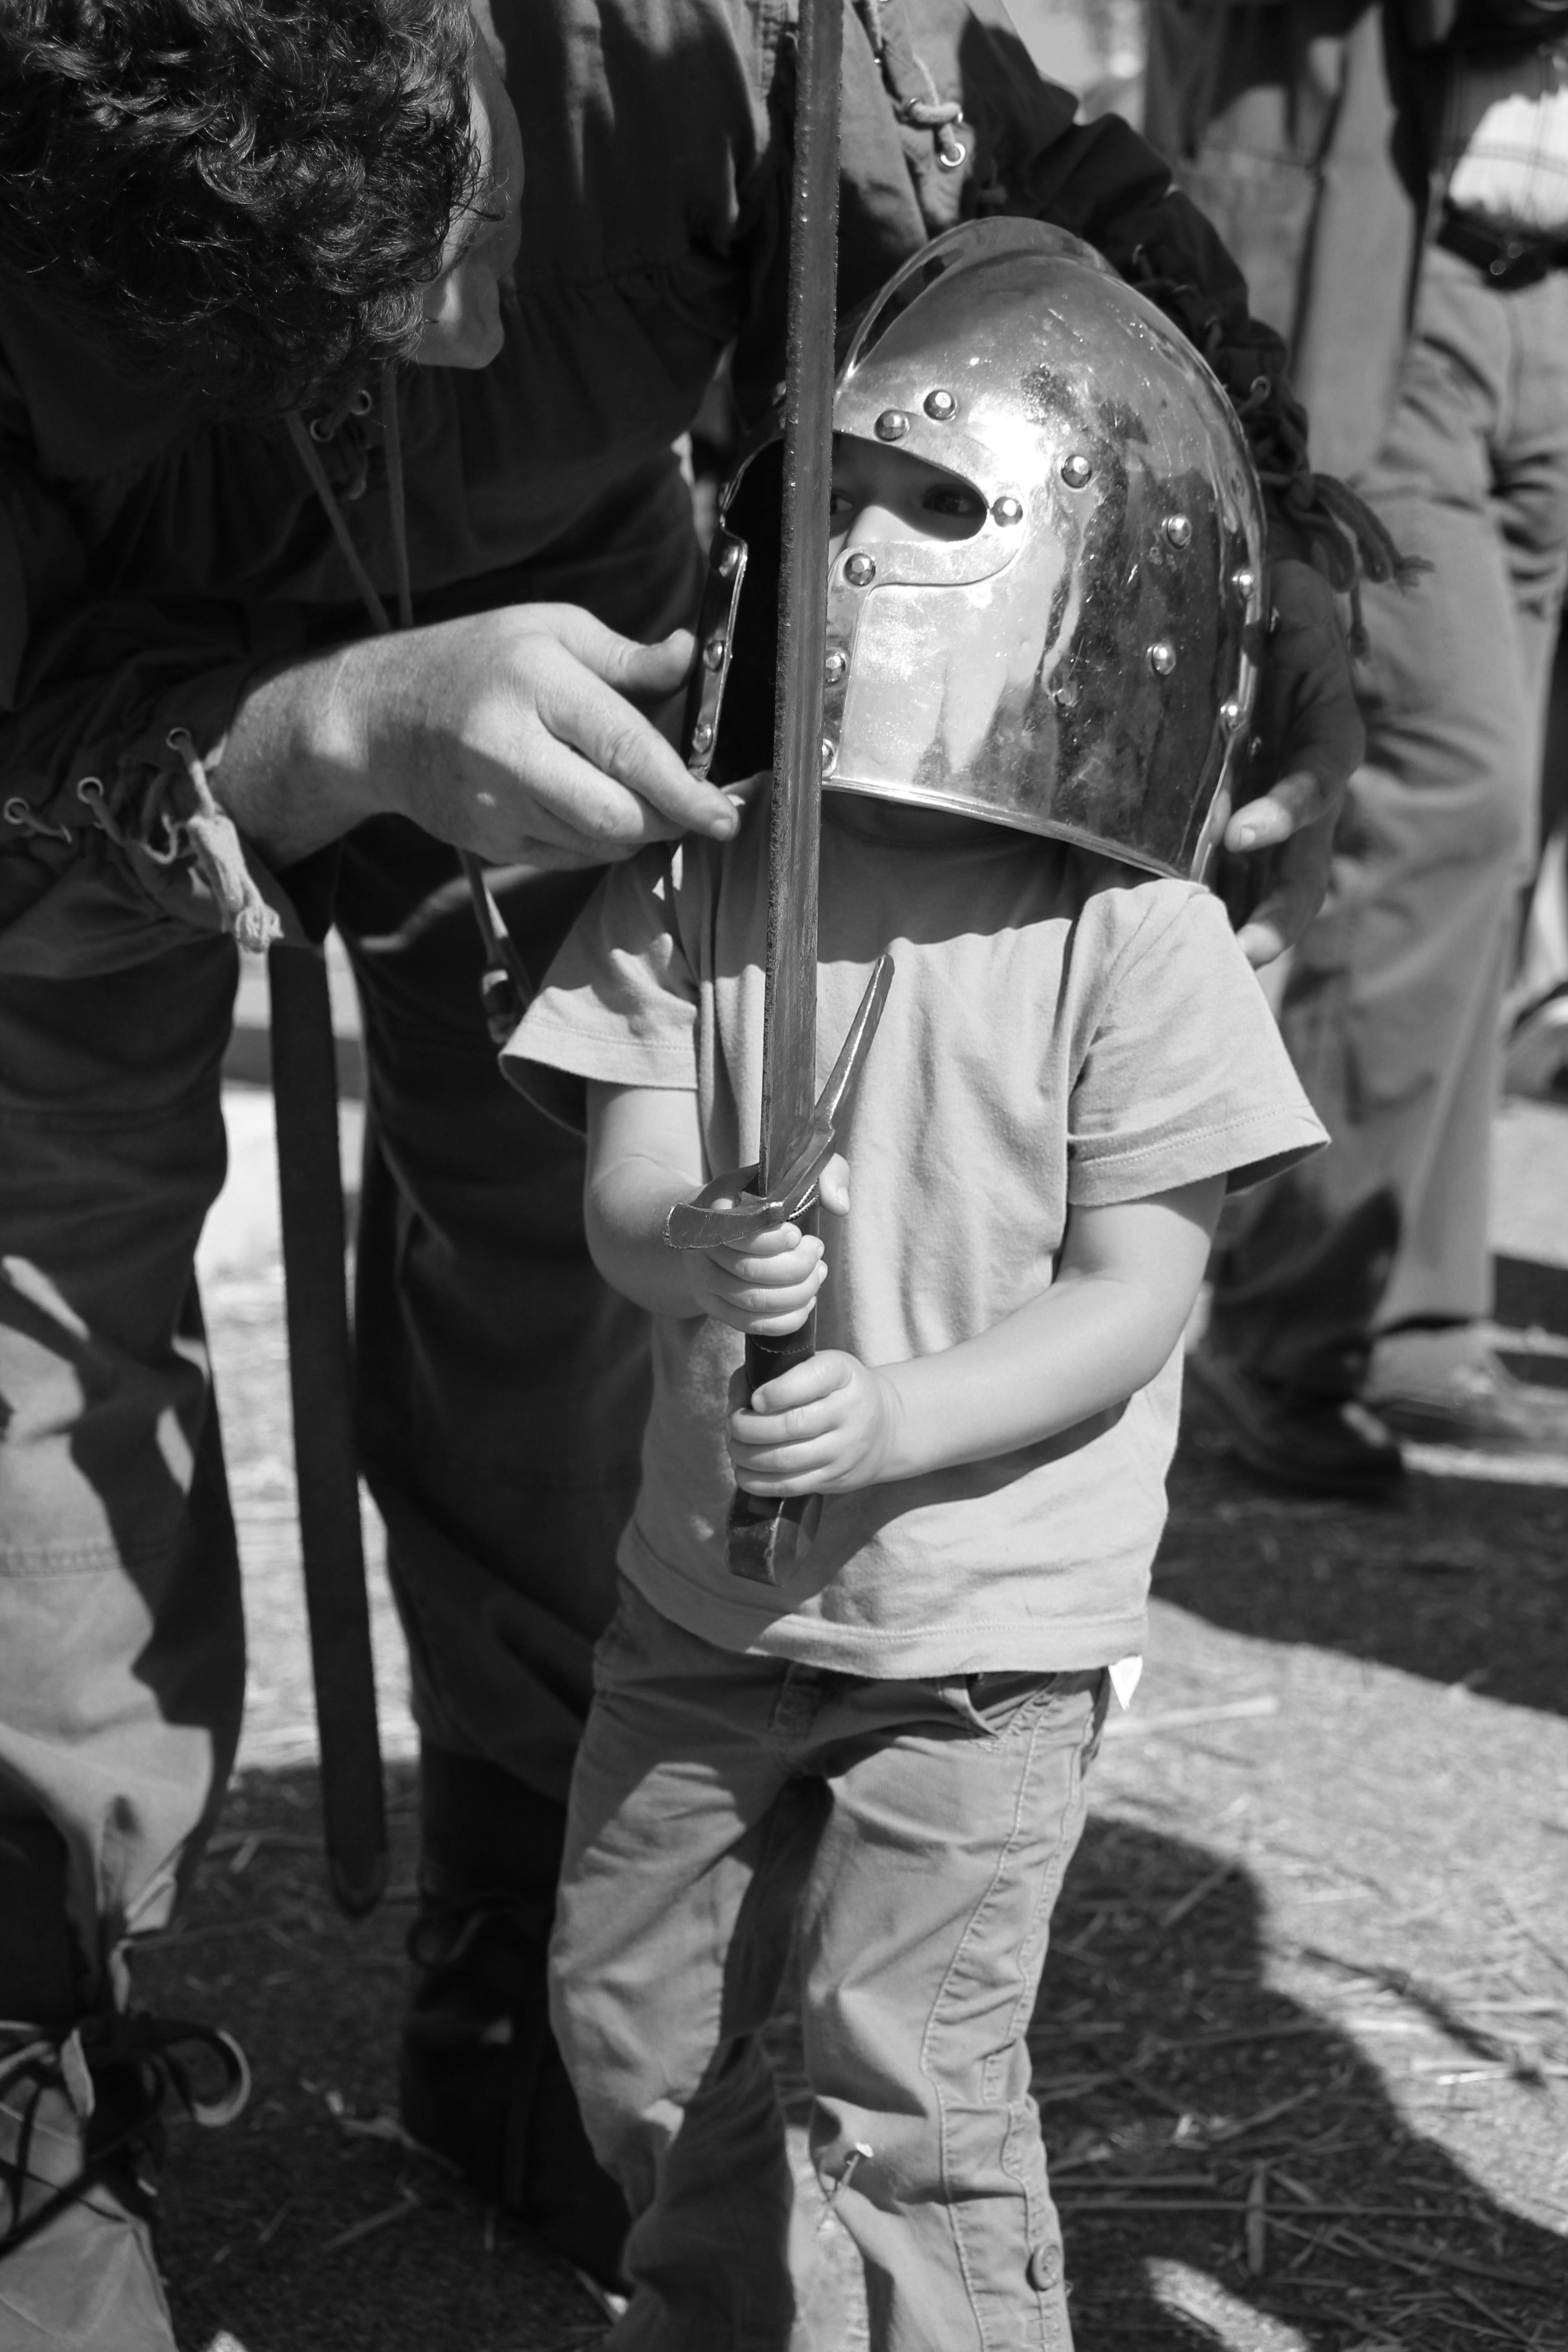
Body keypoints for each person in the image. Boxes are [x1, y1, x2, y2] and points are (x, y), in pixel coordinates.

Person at [0, 2, 1368, 2340]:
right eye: (346, 266)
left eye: (471, 203)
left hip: (594, 664)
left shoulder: (703, 37)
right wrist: (313, 734)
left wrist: (1258, 579)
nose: (453, 327)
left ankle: (537, 1963)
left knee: (577, 1309)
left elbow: (1043, 226)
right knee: (31, 1320)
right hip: (68, 726)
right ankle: (26, 2042)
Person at [501, 222, 1328, 2352]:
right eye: (833, 493)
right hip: (704, 1609)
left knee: (908, 2090)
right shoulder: (700, 866)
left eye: (931, 501)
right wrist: (696, 1242)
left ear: (1091, 564)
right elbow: (627, 1190)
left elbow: (1136, 1295)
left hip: (981, 1637)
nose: (858, 545)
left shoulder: (1130, 933)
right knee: (632, 2027)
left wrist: (893, 1416)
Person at [1146, 0, 1568, 1489]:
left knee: (1500, 834)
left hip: (1546, 288)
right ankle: (1288, 1317)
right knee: (1449, 790)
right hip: (1382, 278)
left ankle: (1414, 1319)